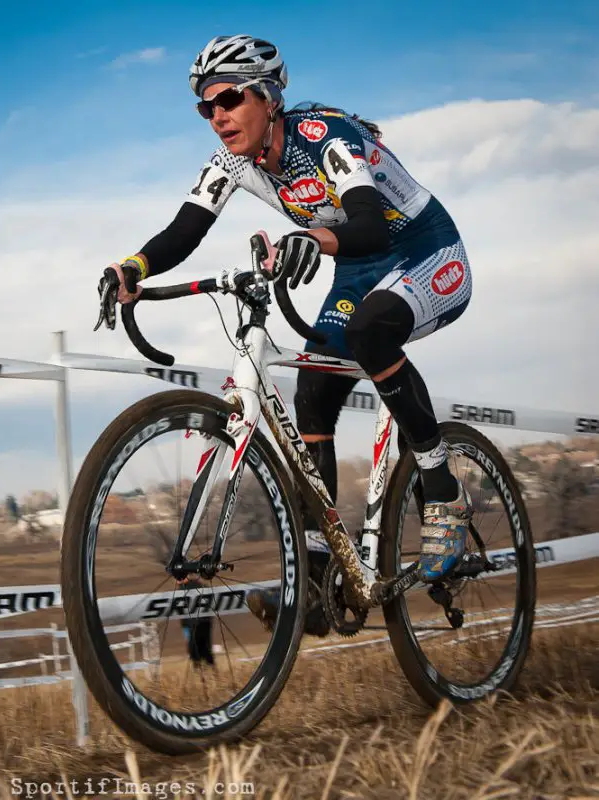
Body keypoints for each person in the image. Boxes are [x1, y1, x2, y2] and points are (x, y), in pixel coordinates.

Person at [95, 34, 473, 636]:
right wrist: (132, 267)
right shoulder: (232, 164)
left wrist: (312, 240)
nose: (216, 116)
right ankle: (324, 577)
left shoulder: (325, 139)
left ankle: (442, 486)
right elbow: (185, 229)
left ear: (268, 98)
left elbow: (372, 226)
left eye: (228, 98)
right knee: (311, 395)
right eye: (205, 107)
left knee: (374, 332)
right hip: (357, 265)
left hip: (421, 248)